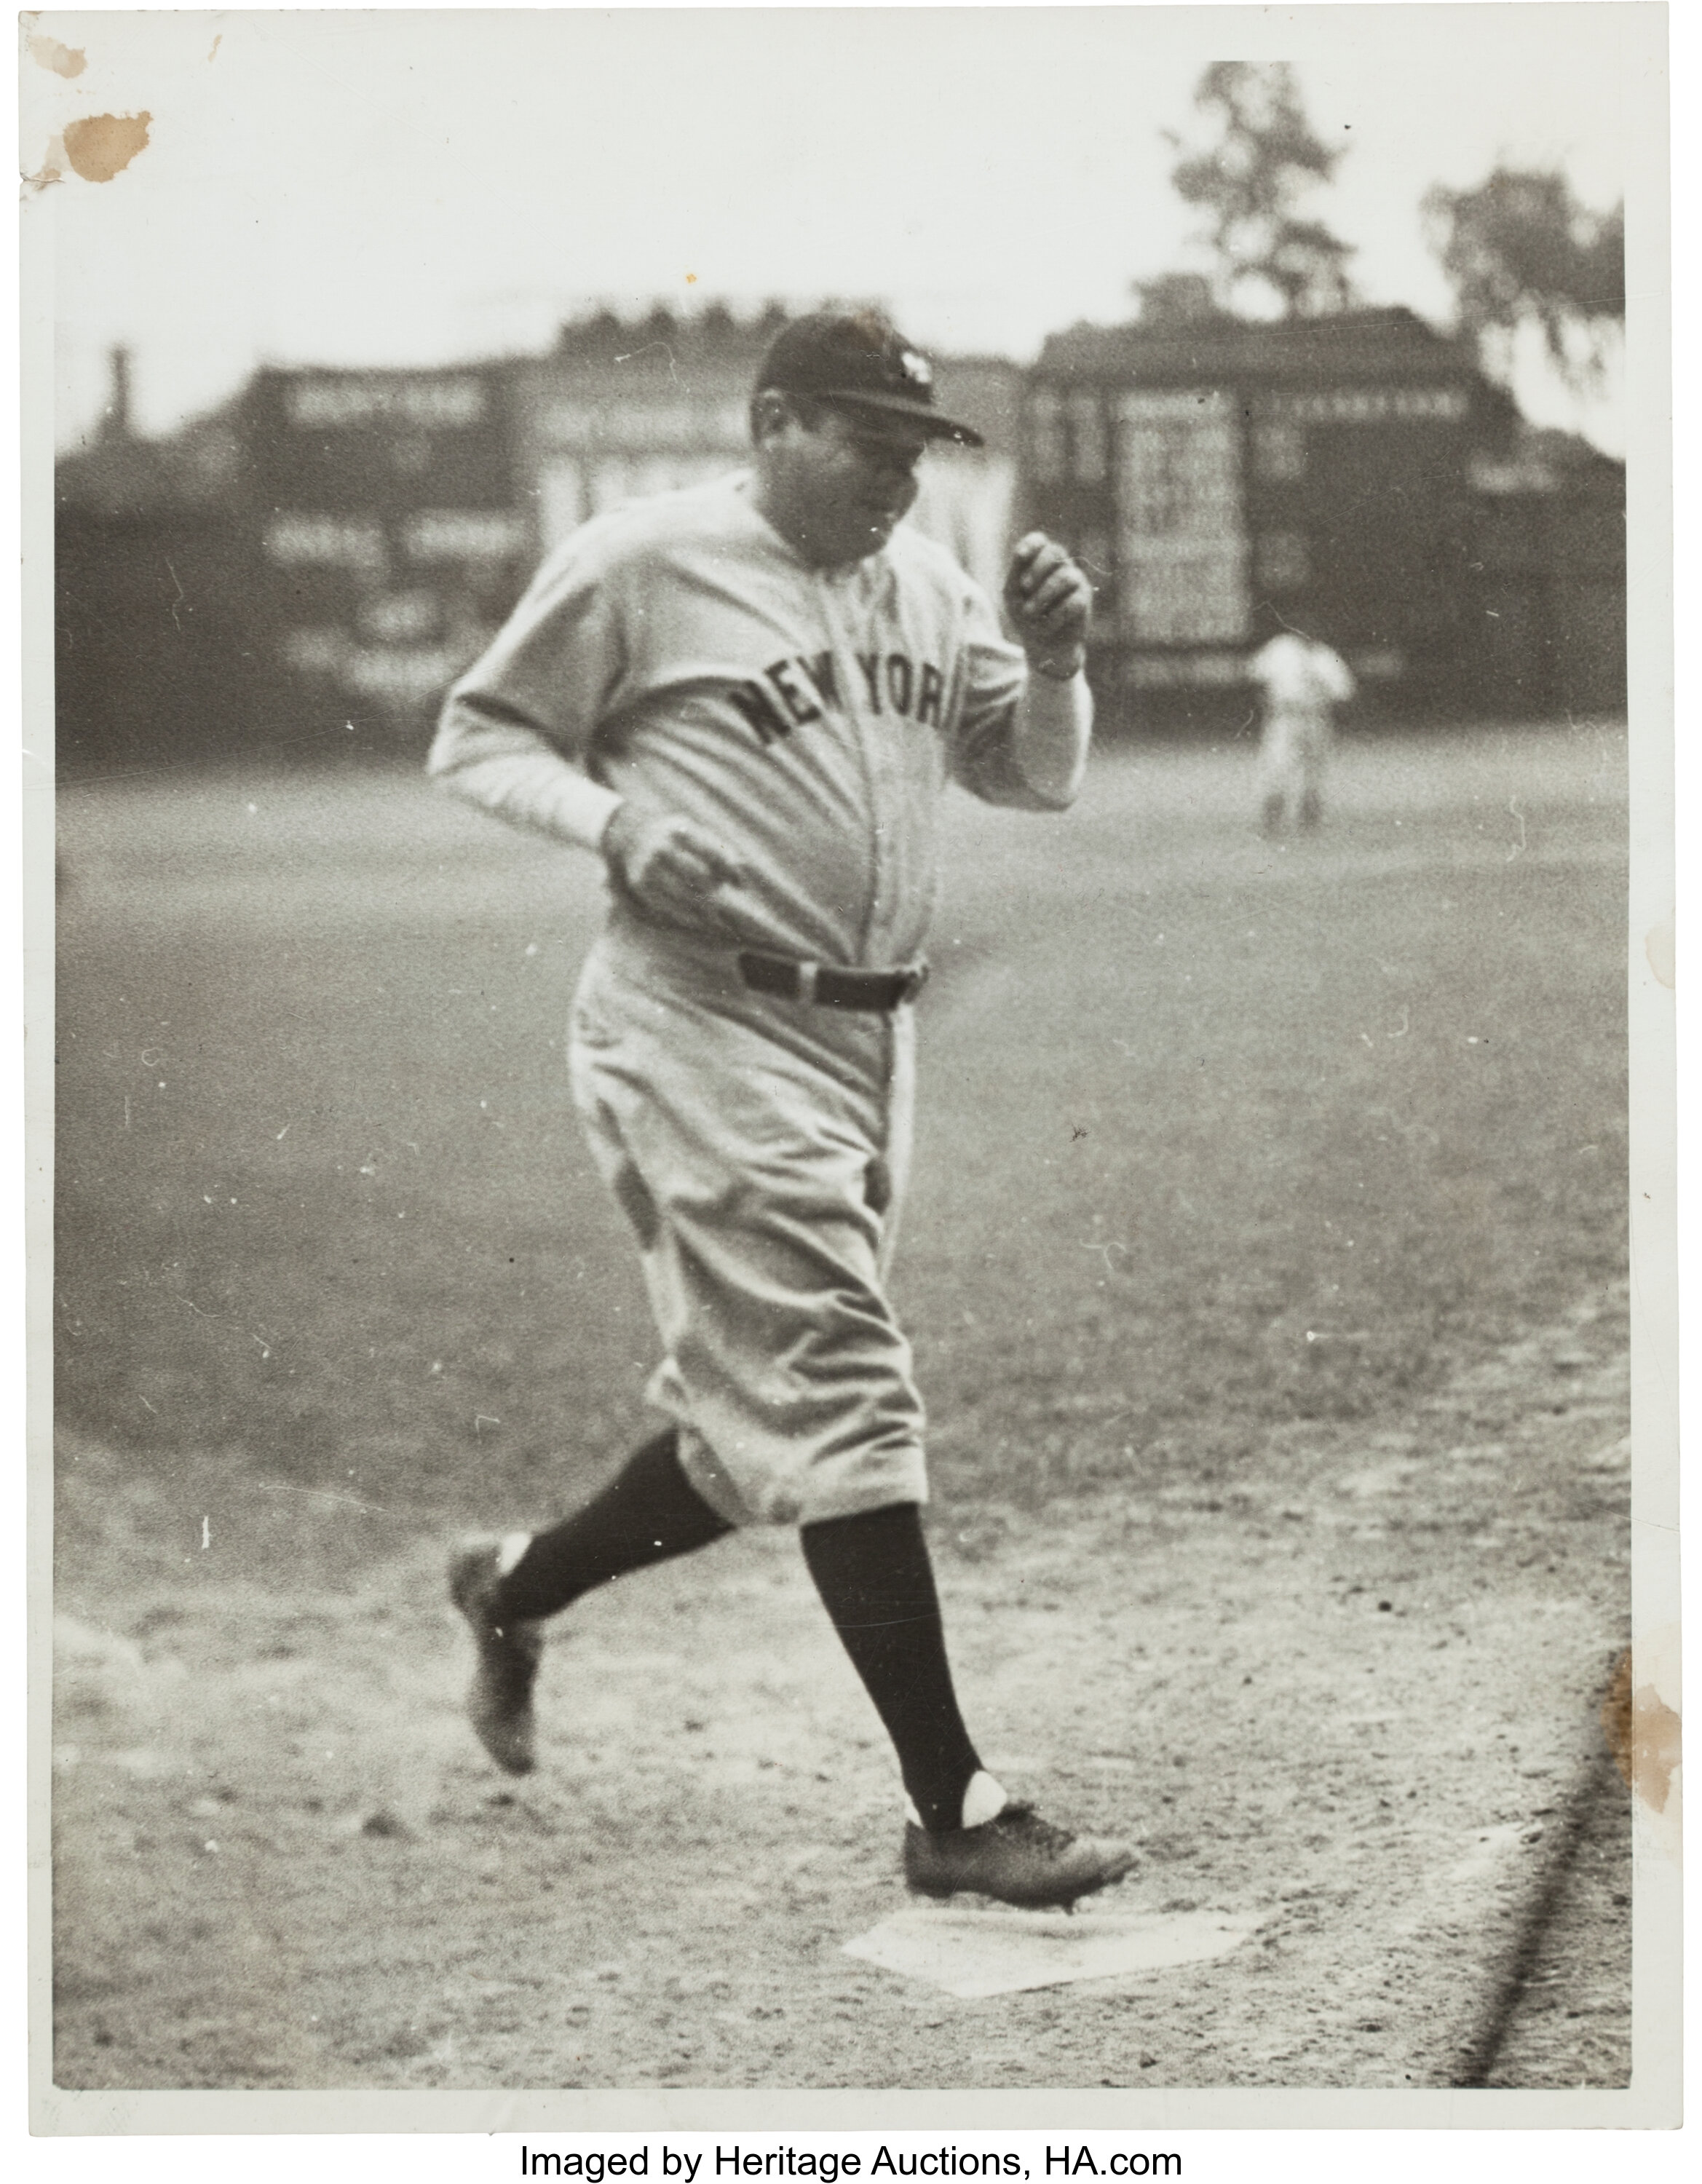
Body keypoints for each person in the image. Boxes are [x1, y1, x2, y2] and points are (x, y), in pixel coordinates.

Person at [427, 308, 1134, 1910]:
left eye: (912, 452)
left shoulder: (926, 582)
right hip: (693, 1020)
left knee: (757, 1444)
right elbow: (476, 735)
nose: (896, 477)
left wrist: (1062, 669)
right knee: (844, 1390)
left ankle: (514, 1590)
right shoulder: (641, 561)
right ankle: (953, 1810)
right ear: (769, 427)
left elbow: (1028, 777)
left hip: (863, 1049)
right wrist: (608, 823)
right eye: (867, 444)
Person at [1248, 618, 1356, 835]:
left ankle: (1309, 823)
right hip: (1285, 717)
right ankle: (1272, 823)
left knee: (1314, 772)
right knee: (1277, 767)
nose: (1309, 631)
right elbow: (1255, 676)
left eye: (1314, 627)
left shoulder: (1325, 656)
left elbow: (1345, 692)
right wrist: (1266, 702)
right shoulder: (1280, 648)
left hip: (1315, 717)